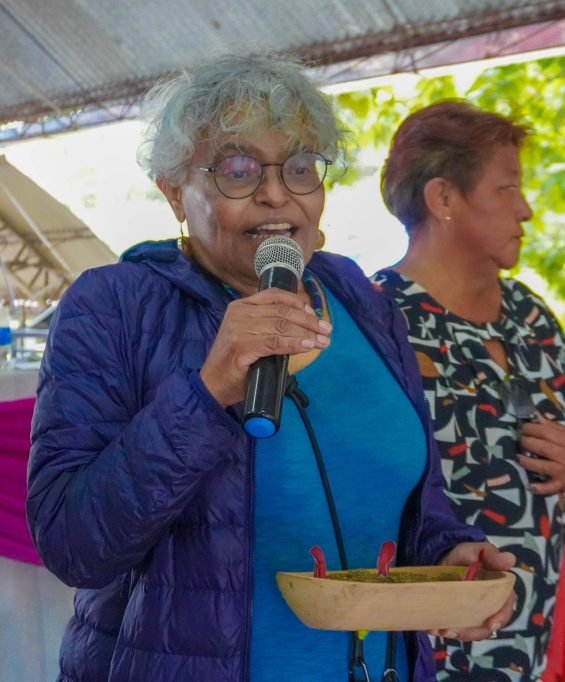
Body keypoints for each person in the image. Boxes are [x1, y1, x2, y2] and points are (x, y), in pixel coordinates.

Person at [27, 57, 515, 682]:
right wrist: (208, 393)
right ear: (174, 192)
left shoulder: (365, 305)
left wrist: (448, 558)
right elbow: (73, 546)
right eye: (238, 169)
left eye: (301, 166)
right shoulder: (114, 305)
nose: (277, 193)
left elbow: (415, 509)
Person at [374, 100, 565, 682]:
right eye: (507, 188)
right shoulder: (376, 321)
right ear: (443, 198)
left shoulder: (533, 318)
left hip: (531, 647)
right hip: (420, 654)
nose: (526, 209)